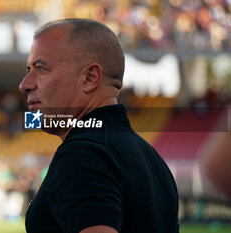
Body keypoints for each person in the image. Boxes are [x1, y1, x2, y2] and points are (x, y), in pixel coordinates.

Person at [19, 18, 179, 233]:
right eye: (28, 69)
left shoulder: (84, 152)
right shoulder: (151, 159)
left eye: (40, 68)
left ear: (90, 77)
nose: (24, 84)